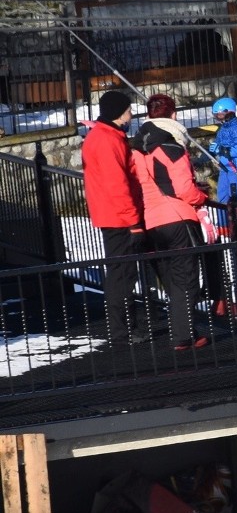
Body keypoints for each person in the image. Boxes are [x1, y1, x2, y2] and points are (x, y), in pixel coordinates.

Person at [129, 93, 211, 352]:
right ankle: (184, 337)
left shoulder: (137, 149)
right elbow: (184, 189)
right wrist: (202, 196)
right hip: (176, 217)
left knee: (172, 281)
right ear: (173, 116)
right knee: (187, 280)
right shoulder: (171, 147)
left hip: (151, 221)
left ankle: (186, 333)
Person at [81, 88, 146, 345]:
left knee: (121, 272)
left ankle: (125, 327)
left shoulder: (103, 136)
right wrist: (134, 221)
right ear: (120, 114)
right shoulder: (108, 140)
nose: (131, 115)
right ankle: (121, 332)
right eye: (129, 110)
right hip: (118, 217)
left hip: (110, 214)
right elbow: (117, 185)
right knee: (121, 274)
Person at [208, 96, 237, 207]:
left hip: (235, 167)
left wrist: (223, 150)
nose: (219, 118)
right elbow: (217, 143)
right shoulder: (223, 129)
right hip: (225, 167)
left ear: (229, 113)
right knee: (222, 194)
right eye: (216, 116)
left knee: (235, 195)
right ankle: (223, 222)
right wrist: (208, 153)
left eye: (220, 115)